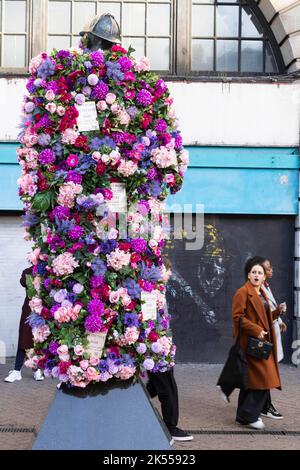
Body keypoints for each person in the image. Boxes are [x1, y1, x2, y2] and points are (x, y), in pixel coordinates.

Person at [231, 257, 285, 429]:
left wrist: (277, 312)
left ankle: (243, 416)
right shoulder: (242, 292)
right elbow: (237, 318)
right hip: (251, 343)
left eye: (259, 273)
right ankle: (250, 415)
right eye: (254, 272)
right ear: (249, 275)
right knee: (265, 378)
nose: (256, 275)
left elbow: (265, 317)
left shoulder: (261, 293)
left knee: (251, 381)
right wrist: (256, 330)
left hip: (262, 343)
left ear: (263, 278)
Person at [4, 267, 44, 383]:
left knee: (39, 340)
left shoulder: (48, 271)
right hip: (29, 308)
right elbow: (22, 282)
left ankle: (36, 369)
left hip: (43, 310)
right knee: (24, 337)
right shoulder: (27, 272)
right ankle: (17, 371)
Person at [260, 257, 287, 420]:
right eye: (268, 268)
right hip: (266, 337)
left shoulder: (266, 288)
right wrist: (277, 313)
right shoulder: (259, 290)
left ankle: (264, 405)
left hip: (272, 333)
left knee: (266, 372)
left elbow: (272, 307)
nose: (272, 270)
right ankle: (265, 406)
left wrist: (280, 320)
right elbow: (265, 315)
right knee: (266, 372)